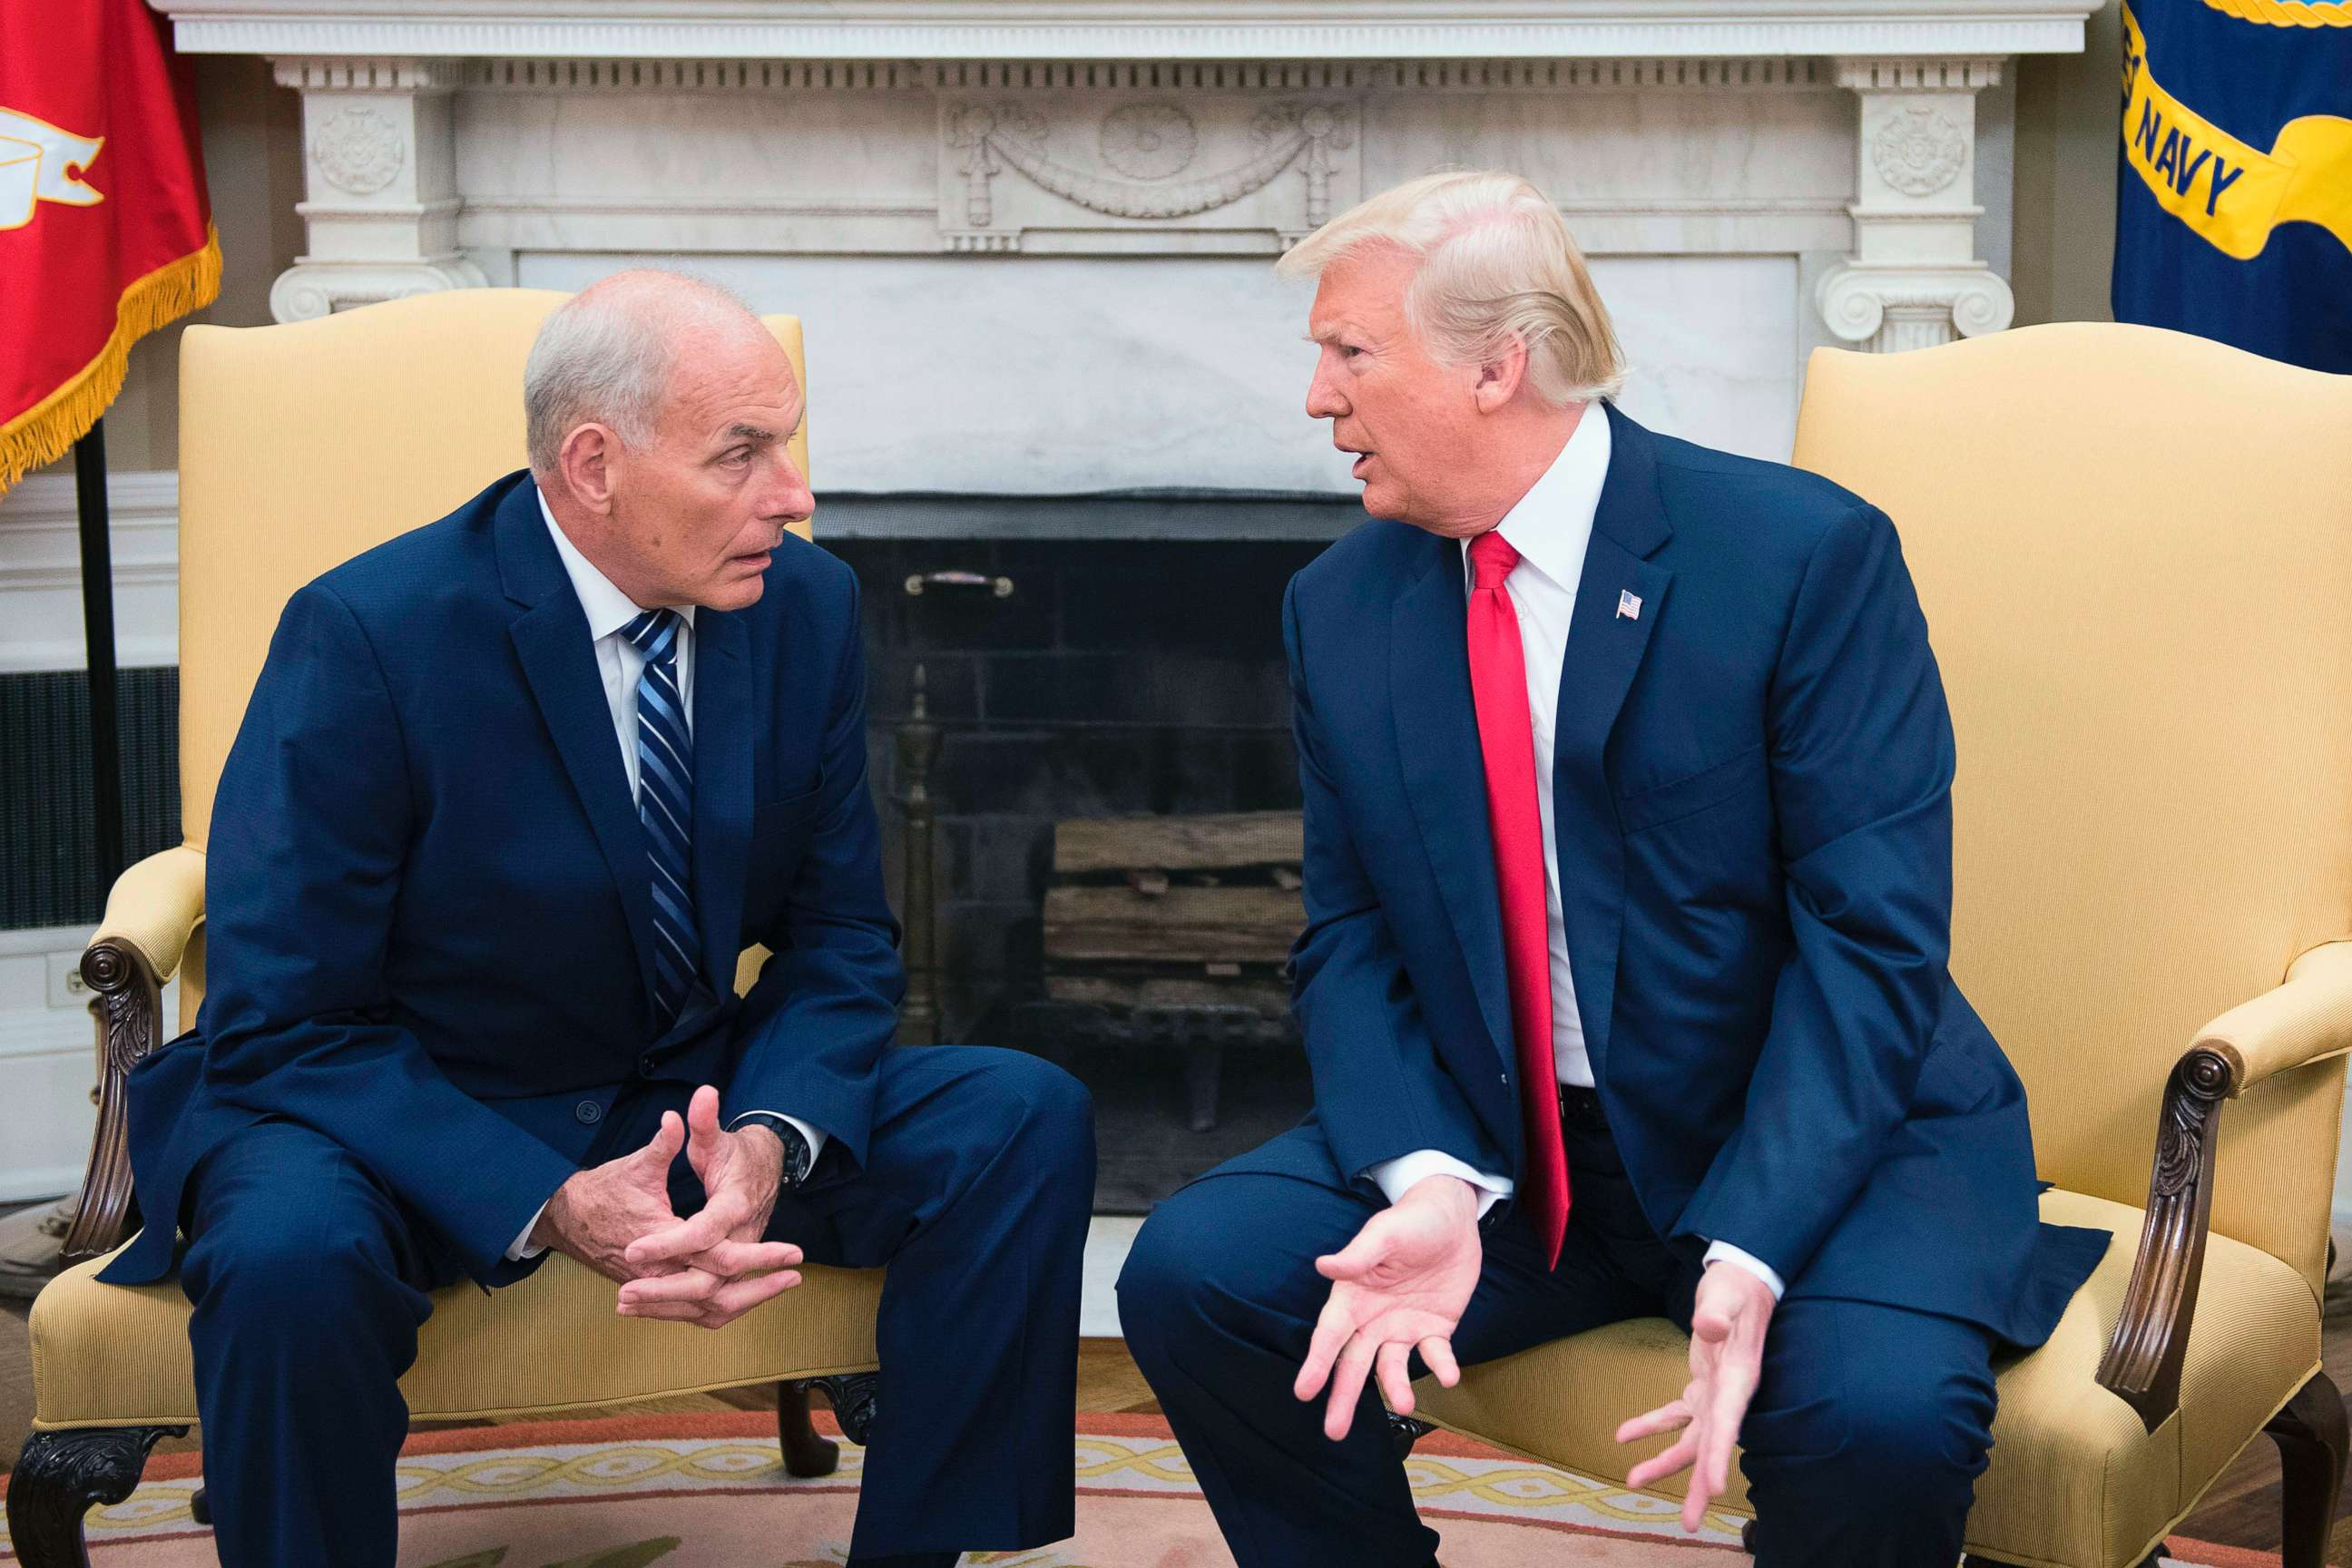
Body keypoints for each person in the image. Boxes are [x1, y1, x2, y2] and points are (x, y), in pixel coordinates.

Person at [1116, 171, 2109, 1567]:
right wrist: (1430, 1182)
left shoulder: (1798, 557)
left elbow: (1870, 945)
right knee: (1201, 1277)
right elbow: (1348, 935)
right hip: (1528, 1155)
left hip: (1818, 1138)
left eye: (1348, 353)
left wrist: (1756, 1244)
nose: (1316, 400)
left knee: (1874, 1423)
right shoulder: (1340, 605)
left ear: (1494, 366)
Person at [102, 270, 1094, 1568]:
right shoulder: (369, 636)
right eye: (741, 452)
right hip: (398, 1102)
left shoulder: (803, 607)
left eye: (784, 442)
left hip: (673, 1088)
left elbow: (842, 939)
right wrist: (550, 1197)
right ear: (593, 465)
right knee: (287, 1255)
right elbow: (284, 1019)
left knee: (1018, 1116)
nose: (791, 493)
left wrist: (766, 1141)